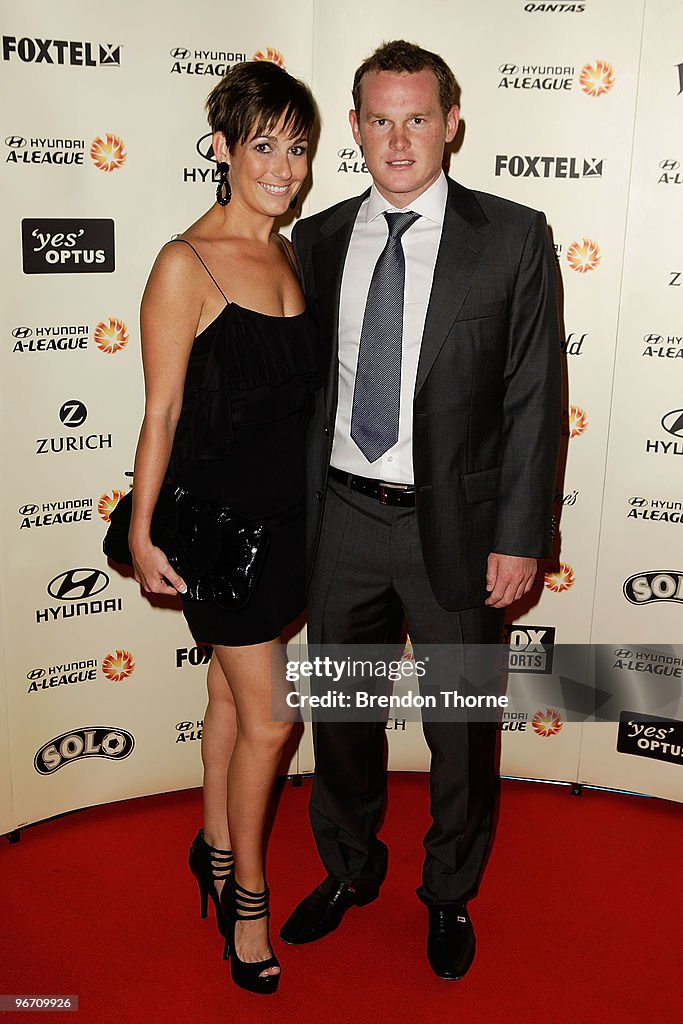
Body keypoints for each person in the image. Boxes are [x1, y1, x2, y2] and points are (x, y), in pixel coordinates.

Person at [279, 40, 561, 980]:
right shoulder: (313, 241)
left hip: (463, 530)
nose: (398, 139)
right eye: (379, 118)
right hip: (342, 519)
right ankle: (350, 871)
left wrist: (521, 536)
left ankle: (447, 892)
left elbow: (532, 399)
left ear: (451, 124)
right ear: (354, 128)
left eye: (417, 117)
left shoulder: (512, 236)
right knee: (343, 717)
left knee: (461, 730)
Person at [128, 59, 318, 995]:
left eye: (298, 146)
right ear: (222, 149)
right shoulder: (183, 262)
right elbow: (159, 413)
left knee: (229, 703)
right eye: (263, 145)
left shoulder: (291, 251)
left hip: (293, 525)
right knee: (273, 720)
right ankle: (247, 898)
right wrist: (140, 532)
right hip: (223, 537)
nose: (284, 165)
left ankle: (209, 842)